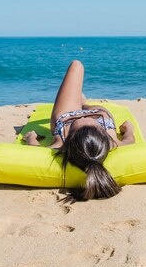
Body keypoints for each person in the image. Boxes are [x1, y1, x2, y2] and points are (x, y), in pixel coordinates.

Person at [23, 59, 135, 200]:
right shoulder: (112, 143)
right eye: (92, 123)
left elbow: (35, 149)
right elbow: (129, 139)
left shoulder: (60, 145)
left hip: (67, 116)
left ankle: (79, 103)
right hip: (99, 114)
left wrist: (31, 136)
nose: (82, 117)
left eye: (78, 122)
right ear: (103, 134)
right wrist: (128, 128)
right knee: (88, 100)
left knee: (76, 65)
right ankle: (84, 104)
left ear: (70, 139)